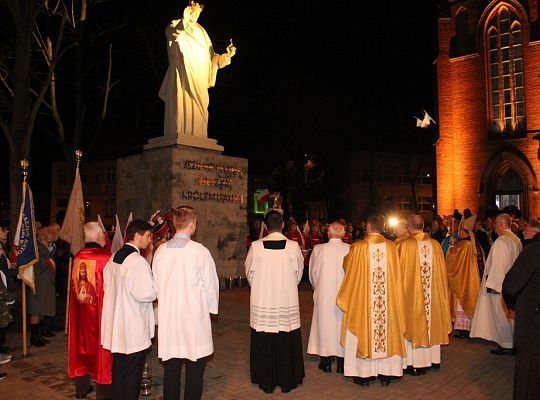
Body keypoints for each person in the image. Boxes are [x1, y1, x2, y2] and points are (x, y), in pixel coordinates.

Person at [152, 206, 219, 400]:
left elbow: (155, 284)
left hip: (170, 317)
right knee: (195, 369)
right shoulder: (199, 251)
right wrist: (210, 308)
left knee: (171, 369)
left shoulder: (161, 251)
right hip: (193, 317)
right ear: (192, 225)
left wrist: (157, 311)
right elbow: (210, 284)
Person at [337, 214, 406, 387]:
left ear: (368, 225)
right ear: (382, 227)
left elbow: (348, 267)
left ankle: (364, 375)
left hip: (364, 301)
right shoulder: (391, 247)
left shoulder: (358, 247)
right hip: (387, 301)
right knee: (387, 329)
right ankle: (386, 374)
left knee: (363, 328)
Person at [245, 209, 305, 394]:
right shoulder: (293, 247)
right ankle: (287, 381)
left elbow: (249, 274)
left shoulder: (256, 246)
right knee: (285, 339)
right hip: (285, 301)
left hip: (263, 301)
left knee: (265, 339)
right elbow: (298, 275)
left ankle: (266, 382)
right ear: (283, 225)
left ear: (265, 226)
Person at [159, 1, 236, 139]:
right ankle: (182, 134)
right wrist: (184, 21)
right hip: (183, 73)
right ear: (186, 11)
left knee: (201, 109)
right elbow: (172, 35)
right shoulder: (175, 24)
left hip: (199, 77)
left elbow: (212, 58)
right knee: (182, 107)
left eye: (197, 14)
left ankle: (198, 137)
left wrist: (226, 56)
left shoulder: (202, 32)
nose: (194, 16)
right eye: (192, 13)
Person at [101, 220, 156, 400]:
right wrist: (157, 288)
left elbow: (107, 285)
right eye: (148, 236)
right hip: (132, 326)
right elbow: (146, 293)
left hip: (117, 324)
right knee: (133, 374)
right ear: (137, 235)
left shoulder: (114, 256)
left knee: (119, 370)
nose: (150, 240)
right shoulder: (137, 261)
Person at [396, 214, 451, 375]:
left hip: (411, 297)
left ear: (408, 226)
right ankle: (433, 360)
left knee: (413, 321)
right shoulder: (435, 245)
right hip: (432, 296)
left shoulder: (405, 245)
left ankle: (413, 363)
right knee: (431, 321)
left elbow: (397, 273)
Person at [68, 222, 112, 400]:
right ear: (99, 236)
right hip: (100, 313)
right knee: (102, 349)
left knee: (81, 346)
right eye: (103, 234)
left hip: (81, 309)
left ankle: (81, 388)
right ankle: (104, 392)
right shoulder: (105, 258)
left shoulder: (78, 256)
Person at [470, 213, 522, 355]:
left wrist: (494, 285)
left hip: (500, 285)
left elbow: (499, 265)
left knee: (501, 315)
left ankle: (507, 344)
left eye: (495, 224)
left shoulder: (501, 242)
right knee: (509, 316)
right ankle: (510, 342)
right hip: (512, 284)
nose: (494, 227)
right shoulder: (515, 239)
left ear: (500, 224)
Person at [502, 224, 540, 400]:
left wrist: (513, 305)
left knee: (529, 371)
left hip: (533, 321)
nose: (524, 232)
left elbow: (510, 285)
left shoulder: (533, 251)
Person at [307, 222, 349, 374]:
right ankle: (341, 363)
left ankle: (325, 362)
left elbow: (312, 273)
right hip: (344, 294)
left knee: (325, 324)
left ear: (328, 234)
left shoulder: (319, 249)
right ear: (343, 235)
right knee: (341, 325)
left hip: (324, 293)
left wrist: (315, 285)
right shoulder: (349, 249)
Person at [445, 226, 482, 339]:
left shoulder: (465, 245)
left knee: (462, 301)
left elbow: (454, 259)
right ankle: (465, 328)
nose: (458, 233)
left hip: (463, 278)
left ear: (464, 232)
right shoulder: (472, 243)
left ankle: (464, 329)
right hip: (468, 276)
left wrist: (451, 245)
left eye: (459, 231)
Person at [27, 227, 56, 347]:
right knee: (36, 310)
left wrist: (50, 251)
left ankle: (39, 335)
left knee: (42, 310)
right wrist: (49, 257)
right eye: (51, 237)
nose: (53, 239)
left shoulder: (45, 247)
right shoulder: (37, 248)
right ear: (45, 237)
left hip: (46, 284)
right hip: (38, 284)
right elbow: (39, 265)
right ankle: (34, 337)